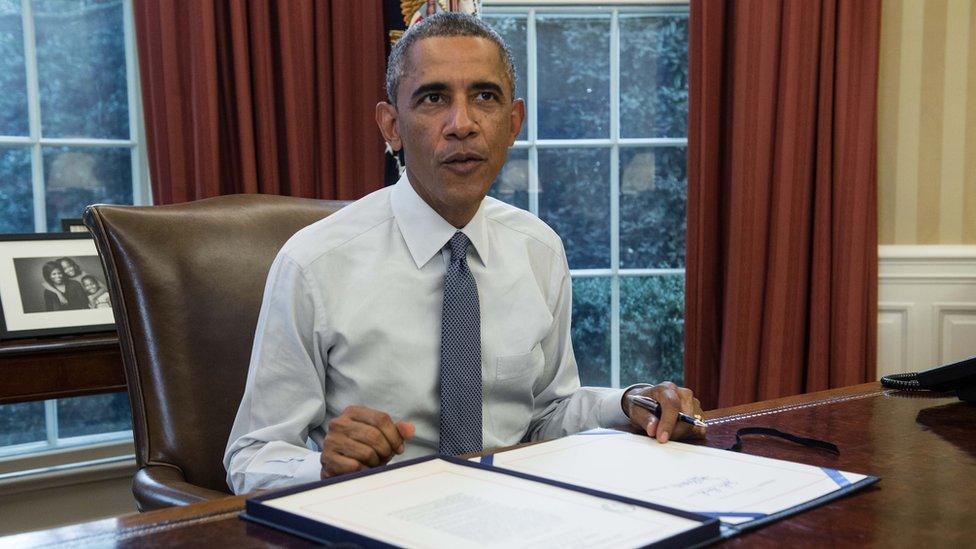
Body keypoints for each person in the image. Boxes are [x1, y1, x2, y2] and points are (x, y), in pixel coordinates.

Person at [224, 13, 704, 495]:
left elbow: (546, 414)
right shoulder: (313, 263)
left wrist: (625, 402)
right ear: (391, 126)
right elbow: (250, 458)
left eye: (484, 97)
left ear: (512, 122)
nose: (463, 124)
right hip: (377, 517)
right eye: (434, 98)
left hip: (519, 513)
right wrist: (323, 467)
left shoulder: (539, 250)